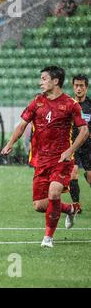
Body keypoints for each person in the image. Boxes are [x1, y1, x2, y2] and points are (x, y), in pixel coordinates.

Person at [1, 66, 89, 248]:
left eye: (43, 78)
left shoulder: (70, 104)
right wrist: (10, 143)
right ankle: (70, 209)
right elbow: (22, 125)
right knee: (40, 205)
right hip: (41, 161)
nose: (40, 82)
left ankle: (48, 238)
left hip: (61, 160)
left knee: (54, 192)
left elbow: (84, 131)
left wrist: (70, 150)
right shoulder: (37, 102)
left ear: (55, 81)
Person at [69, 74, 91, 212]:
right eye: (76, 85)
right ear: (73, 87)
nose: (78, 88)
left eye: (81, 85)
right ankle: (76, 205)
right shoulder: (69, 105)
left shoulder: (90, 105)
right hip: (73, 146)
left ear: (86, 87)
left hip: (89, 146)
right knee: (73, 172)